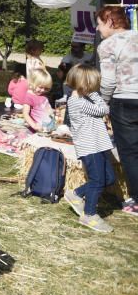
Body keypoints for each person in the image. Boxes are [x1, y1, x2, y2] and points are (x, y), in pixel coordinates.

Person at [63, 64, 117, 232]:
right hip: (90, 147)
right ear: (85, 84)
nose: (96, 87)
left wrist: (90, 93)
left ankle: (77, 194)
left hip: (98, 145)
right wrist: (94, 94)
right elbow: (104, 109)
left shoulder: (83, 99)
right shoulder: (77, 102)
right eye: (93, 84)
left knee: (109, 178)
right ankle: (89, 215)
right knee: (97, 181)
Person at [96, 5, 138, 217]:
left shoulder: (107, 45)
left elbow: (109, 80)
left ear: (110, 22)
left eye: (100, 23)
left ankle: (137, 199)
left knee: (130, 153)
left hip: (124, 100)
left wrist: (102, 104)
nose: (97, 28)